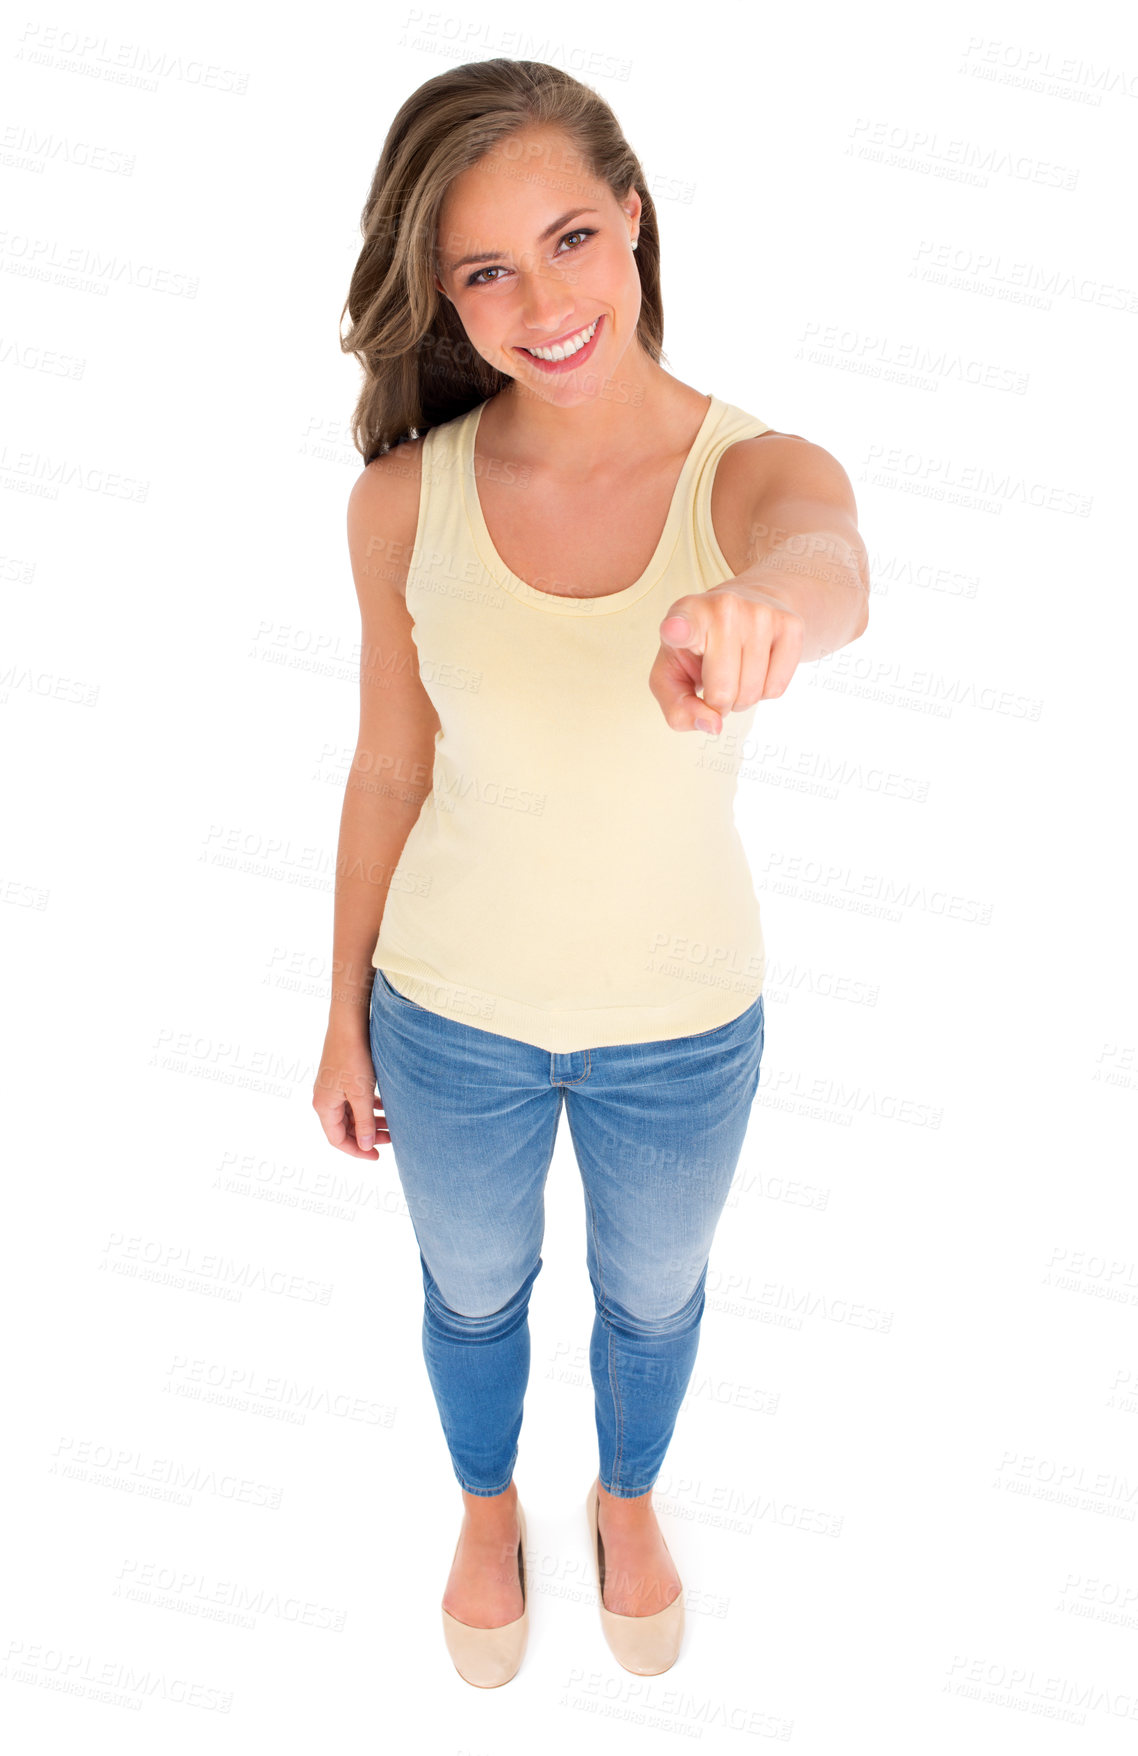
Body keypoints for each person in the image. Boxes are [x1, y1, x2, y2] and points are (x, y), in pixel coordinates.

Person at [313, 58, 869, 1689]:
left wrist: (762, 611)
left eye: (569, 238)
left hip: (682, 1025)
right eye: (485, 270)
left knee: (651, 1299)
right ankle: (486, 1507)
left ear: (632, 218)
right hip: (447, 1019)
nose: (540, 302)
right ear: (439, 296)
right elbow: (387, 768)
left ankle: (624, 1497)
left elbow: (826, 560)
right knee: (472, 1299)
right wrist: (342, 1020)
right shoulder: (402, 500)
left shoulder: (753, 472)